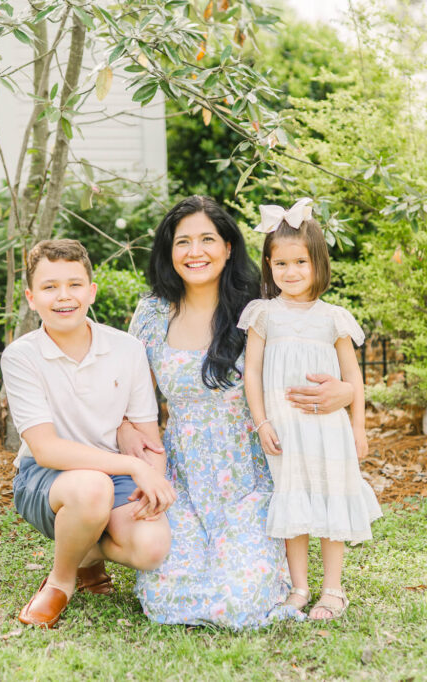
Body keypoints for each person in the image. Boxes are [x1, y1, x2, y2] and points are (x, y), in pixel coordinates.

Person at [117, 196, 357, 628]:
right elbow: (123, 393)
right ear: (168, 252)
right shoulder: (152, 314)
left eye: (207, 239)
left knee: (241, 599)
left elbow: (316, 353)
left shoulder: (261, 307)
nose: (195, 252)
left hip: (251, 475)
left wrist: (343, 391)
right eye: (183, 242)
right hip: (182, 478)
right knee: (168, 593)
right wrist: (125, 430)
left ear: (229, 247)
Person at [2, 239, 176, 628]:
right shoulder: (21, 356)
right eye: (49, 287)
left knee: (152, 548)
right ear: (31, 298)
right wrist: (132, 464)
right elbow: (46, 450)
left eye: (75, 284)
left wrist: (153, 478)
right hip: (47, 480)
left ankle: (86, 555)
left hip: (114, 475)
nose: (64, 296)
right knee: (91, 489)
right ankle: (61, 581)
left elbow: (147, 436)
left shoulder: (126, 349)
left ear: (91, 291)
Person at [238, 198, 382, 621]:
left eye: (300, 261)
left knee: (332, 496)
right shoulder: (264, 314)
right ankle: (299, 588)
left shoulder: (333, 318)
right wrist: (260, 420)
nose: (291, 272)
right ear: (268, 266)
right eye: (280, 264)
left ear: (318, 262)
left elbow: (353, 379)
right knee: (294, 501)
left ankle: (333, 589)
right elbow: (251, 374)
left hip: (328, 428)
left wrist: (359, 428)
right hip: (284, 428)